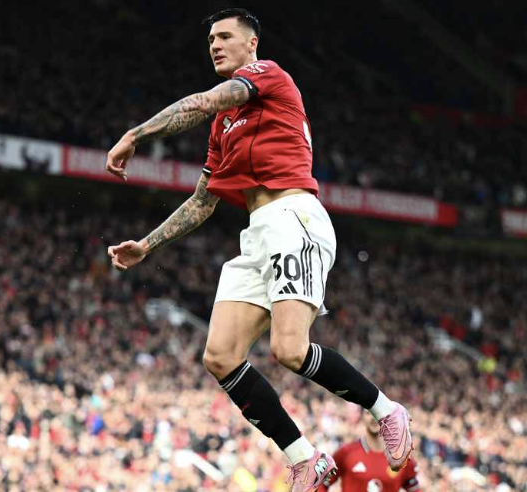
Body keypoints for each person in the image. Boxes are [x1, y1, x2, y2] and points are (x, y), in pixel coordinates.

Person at [105, 8, 412, 491]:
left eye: (225, 36)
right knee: (220, 355)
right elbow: (204, 201)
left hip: (295, 219)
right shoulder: (223, 126)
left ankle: (386, 409)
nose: (215, 45)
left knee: (289, 349)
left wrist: (134, 135)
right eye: (210, 40)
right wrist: (147, 245)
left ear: (251, 45)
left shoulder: (268, 75)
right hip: (258, 233)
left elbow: (204, 101)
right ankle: (305, 458)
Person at [323, 412, 420, 492]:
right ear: (362, 418)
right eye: (369, 412)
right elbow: (321, 485)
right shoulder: (345, 453)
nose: (374, 417)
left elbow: (415, 489)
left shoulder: (402, 458)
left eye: (379, 413)